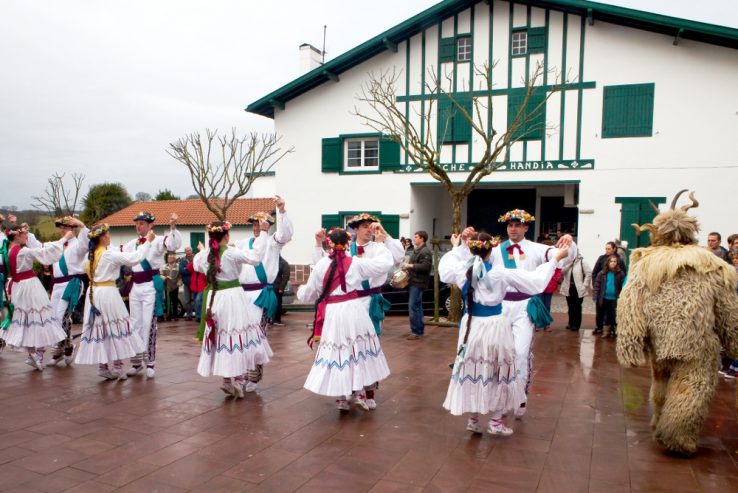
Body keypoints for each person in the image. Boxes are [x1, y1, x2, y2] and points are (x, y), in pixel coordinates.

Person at [616, 190, 738, 456]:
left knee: (662, 379)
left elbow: (629, 304)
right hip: (698, 341)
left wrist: (631, 343)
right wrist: (733, 342)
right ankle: (677, 435)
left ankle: (661, 419)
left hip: (661, 340)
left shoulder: (645, 263)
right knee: (693, 386)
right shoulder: (713, 265)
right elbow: (729, 310)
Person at [439, 231, 568, 435]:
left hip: (471, 325)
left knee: (475, 368)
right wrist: (555, 260)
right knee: (500, 371)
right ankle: (496, 422)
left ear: (471, 249)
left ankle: (473, 419)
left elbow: (445, 269)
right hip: (494, 325)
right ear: (491, 251)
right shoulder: (499, 273)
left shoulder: (462, 269)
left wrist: (457, 247)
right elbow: (535, 281)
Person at [489, 209, 577, 418]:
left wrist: (569, 242)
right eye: (510, 225)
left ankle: (520, 396)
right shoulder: (495, 250)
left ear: (526, 227)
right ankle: (500, 398)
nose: (513, 229)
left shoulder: (537, 249)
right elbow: (473, 261)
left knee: (520, 353)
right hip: (500, 307)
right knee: (499, 354)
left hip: (524, 306)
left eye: (518, 225)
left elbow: (564, 257)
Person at [314, 213, 404, 410]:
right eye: (365, 226)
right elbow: (324, 268)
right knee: (347, 347)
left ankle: (368, 391)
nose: (369, 229)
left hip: (372, 301)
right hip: (351, 303)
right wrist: (319, 245)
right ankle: (346, 391)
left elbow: (398, 256)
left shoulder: (379, 247)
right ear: (355, 229)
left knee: (370, 347)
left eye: (371, 226)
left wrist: (386, 236)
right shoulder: (346, 249)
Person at [193, 220, 269, 398]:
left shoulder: (205, 254)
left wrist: (202, 250)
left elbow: (197, 265)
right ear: (226, 235)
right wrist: (264, 232)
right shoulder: (231, 252)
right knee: (238, 336)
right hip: (234, 297)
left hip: (215, 298)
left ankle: (227, 381)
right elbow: (256, 257)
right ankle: (240, 381)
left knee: (222, 337)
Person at [75, 224, 152, 379]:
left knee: (101, 328)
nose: (109, 237)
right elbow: (133, 259)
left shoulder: (91, 255)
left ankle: (103, 366)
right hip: (108, 293)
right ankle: (117, 366)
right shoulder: (107, 254)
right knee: (116, 327)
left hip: (94, 293)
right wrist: (148, 242)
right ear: (102, 237)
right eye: (108, 234)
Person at [233, 195, 293, 393]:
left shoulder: (273, 241)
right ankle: (239, 374)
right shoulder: (243, 243)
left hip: (260, 294)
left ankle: (254, 377)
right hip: (243, 294)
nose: (257, 227)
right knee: (240, 335)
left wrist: (282, 211)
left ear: (267, 225)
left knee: (257, 335)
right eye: (255, 224)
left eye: (261, 224)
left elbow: (286, 234)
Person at [0, 223, 72, 370]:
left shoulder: (8, 251)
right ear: (17, 236)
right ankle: (37, 354)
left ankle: (34, 354)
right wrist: (65, 238)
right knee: (40, 319)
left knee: (28, 320)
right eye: (25, 234)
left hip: (19, 287)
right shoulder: (23, 251)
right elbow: (44, 252)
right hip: (30, 287)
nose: (27, 236)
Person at [123, 211, 181, 379]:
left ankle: (150, 362)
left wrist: (172, 226)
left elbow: (173, 244)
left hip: (149, 287)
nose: (138, 226)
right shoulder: (132, 243)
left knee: (149, 324)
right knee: (135, 324)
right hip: (135, 288)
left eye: (142, 223)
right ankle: (136, 362)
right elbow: (120, 255)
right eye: (137, 223)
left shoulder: (157, 241)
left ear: (150, 225)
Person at [47, 216, 89, 367]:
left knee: (62, 316)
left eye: (65, 227)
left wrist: (82, 225)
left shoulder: (77, 244)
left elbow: (87, 242)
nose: (62, 230)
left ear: (72, 228)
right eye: (61, 227)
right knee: (53, 318)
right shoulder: (57, 245)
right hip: (57, 285)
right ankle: (60, 349)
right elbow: (41, 248)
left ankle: (68, 347)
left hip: (72, 283)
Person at [592, 241, 626, 334]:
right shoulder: (601, 258)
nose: (607, 250)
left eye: (609, 249)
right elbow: (595, 273)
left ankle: (612, 328)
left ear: (614, 249)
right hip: (602, 291)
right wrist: (596, 287)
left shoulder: (619, 260)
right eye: (606, 249)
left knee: (613, 312)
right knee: (600, 312)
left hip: (615, 294)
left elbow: (623, 275)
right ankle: (599, 327)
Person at [403, 230, 432, 340]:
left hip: (418, 283)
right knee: (417, 307)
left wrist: (410, 266)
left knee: (413, 307)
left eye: (416, 237)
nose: (414, 239)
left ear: (422, 239)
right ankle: (419, 330)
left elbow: (425, 267)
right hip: (414, 281)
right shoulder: (418, 250)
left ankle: (416, 332)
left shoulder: (425, 251)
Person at [559, 252, 592, 332]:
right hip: (568, 287)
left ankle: (576, 325)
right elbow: (562, 272)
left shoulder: (582, 261)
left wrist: (585, 285)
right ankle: (570, 323)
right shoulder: (567, 261)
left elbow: (589, 273)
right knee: (570, 306)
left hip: (578, 288)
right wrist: (569, 264)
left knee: (577, 306)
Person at [270, 255, 290, 326]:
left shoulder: (284, 263)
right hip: (268, 286)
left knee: (277, 304)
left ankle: (276, 320)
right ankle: (268, 319)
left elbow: (286, 276)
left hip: (277, 287)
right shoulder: (268, 260)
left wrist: (281, 288)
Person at [160, 252, 181, 321]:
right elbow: (161, 274)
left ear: (174, 259)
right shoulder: (164, 266)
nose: (169, 259)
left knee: (175, 301)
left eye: (171, 258)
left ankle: (175, 316)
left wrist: (179, 283)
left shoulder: (178, 266)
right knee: (167, 301)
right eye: (168, 258)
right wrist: (164, 278)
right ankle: (168, 316)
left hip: (175, 286)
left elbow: (180, 276)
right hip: (167, 286)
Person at [186, 259, 207, 324]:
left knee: (198, 300)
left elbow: (206, 276)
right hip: (194, 287)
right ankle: (198, 316)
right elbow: (188, 267)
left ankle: (199, 316)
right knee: (196, 302)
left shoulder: (203, 268)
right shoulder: (194, 268)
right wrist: (195, 260)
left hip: (202, 287)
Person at [179, 247, 195, 320]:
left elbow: (196, 269)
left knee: (195, 299)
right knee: (187, 300)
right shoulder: (182, 260)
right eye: (187, 251)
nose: (188, 252)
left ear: (192, 251)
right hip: (186, 283)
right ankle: (189, 315)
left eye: (189, 250)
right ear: (185, 252)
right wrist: (190, 270)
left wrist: (187, 269)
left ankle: (197, 314)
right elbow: (181, 271)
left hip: (195, 282)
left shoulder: (196, 258)